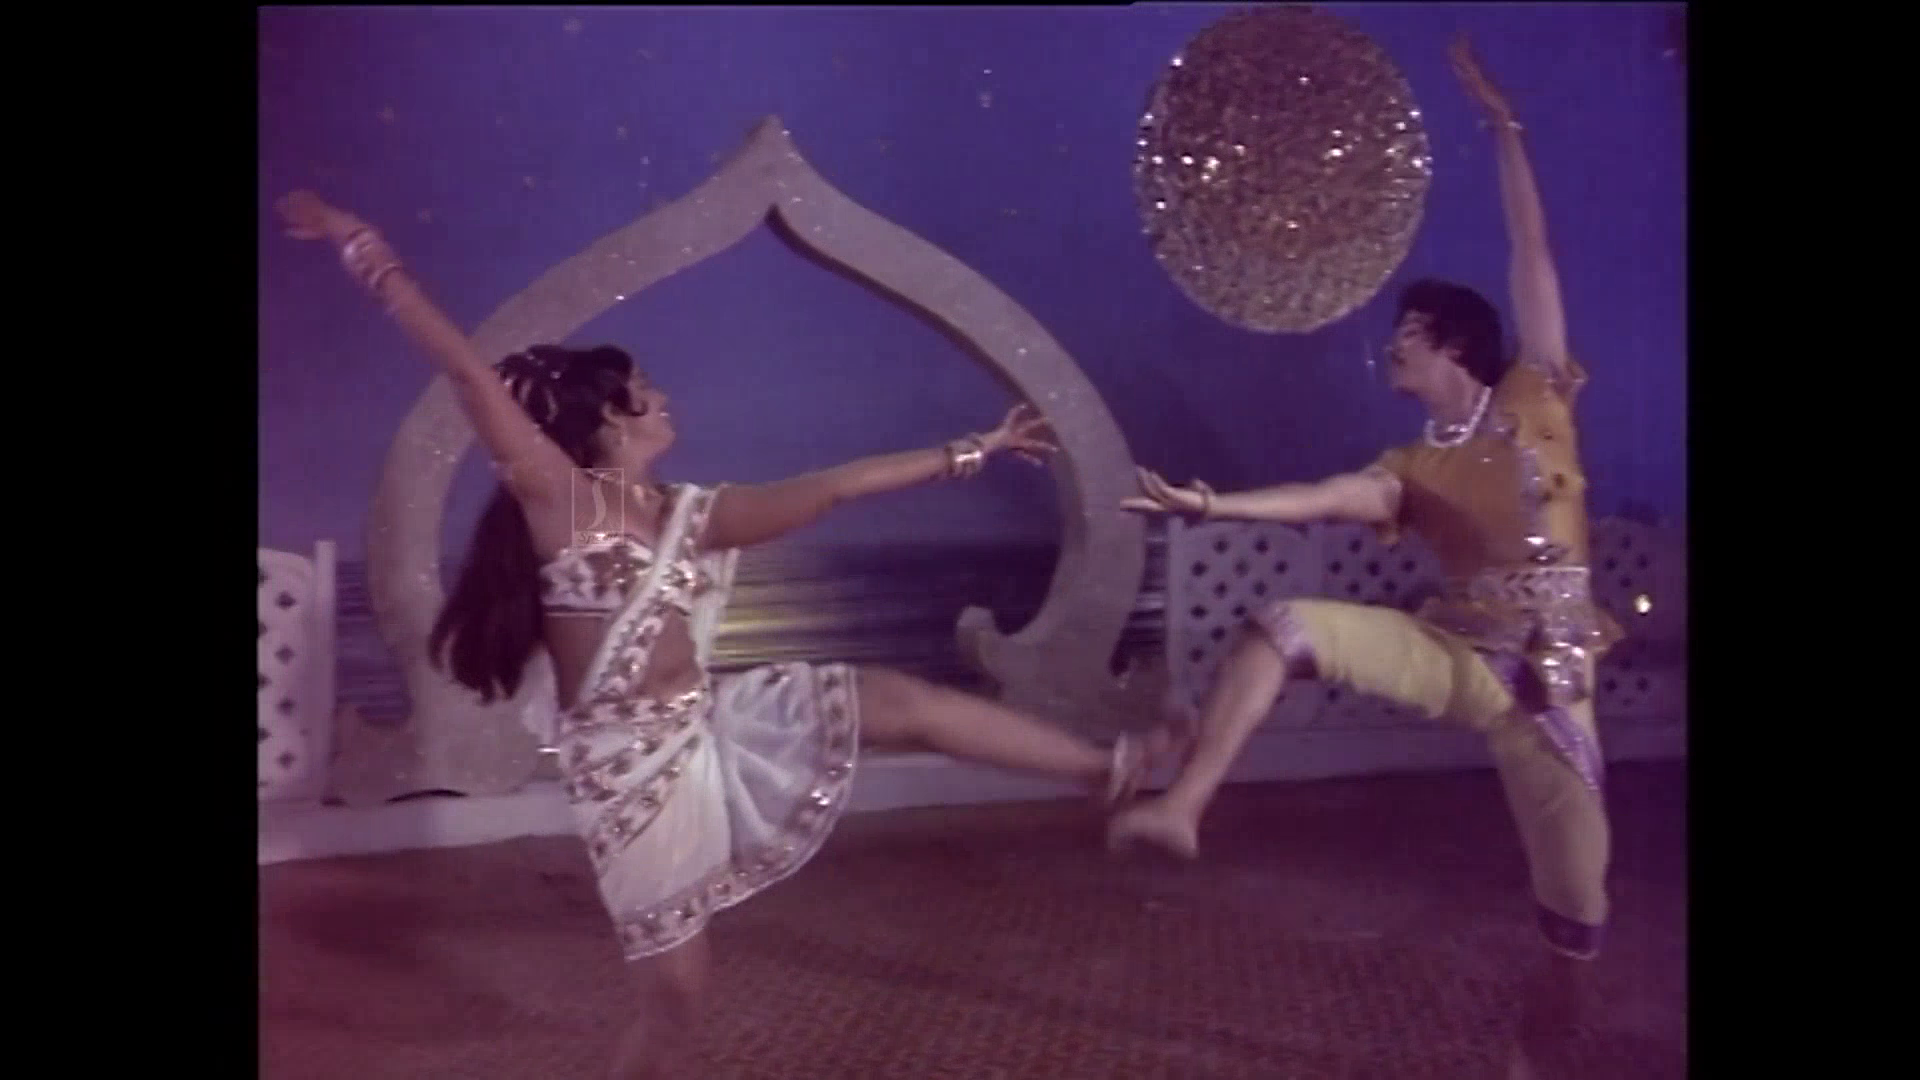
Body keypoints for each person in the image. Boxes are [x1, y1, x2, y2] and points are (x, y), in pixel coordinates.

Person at [275, 190, 1176, 1078]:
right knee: (676, 1000)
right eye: (644, 391)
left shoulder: (689, 514)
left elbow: (833, 488)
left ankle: (1108, 769)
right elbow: (469, 376)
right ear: (610, 416)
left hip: (713, 724)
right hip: (628, 772)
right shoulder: (562, 501)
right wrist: (366, 250)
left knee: (903, 702)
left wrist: (972, 450)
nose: (664, 398)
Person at [1107, 37, 1622, 963]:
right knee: (1280, 628)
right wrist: (1214, 507)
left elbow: (1532, 253)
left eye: (1408, 333)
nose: (1391, 347)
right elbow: (1324, 497)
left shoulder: (1535, 392)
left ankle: (1567, 972)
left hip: (1555, 681)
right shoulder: (1409, 466)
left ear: (1454, 345)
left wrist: (1504, 128)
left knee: (1578, 902)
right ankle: (1183, 807)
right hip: (1460, 658)